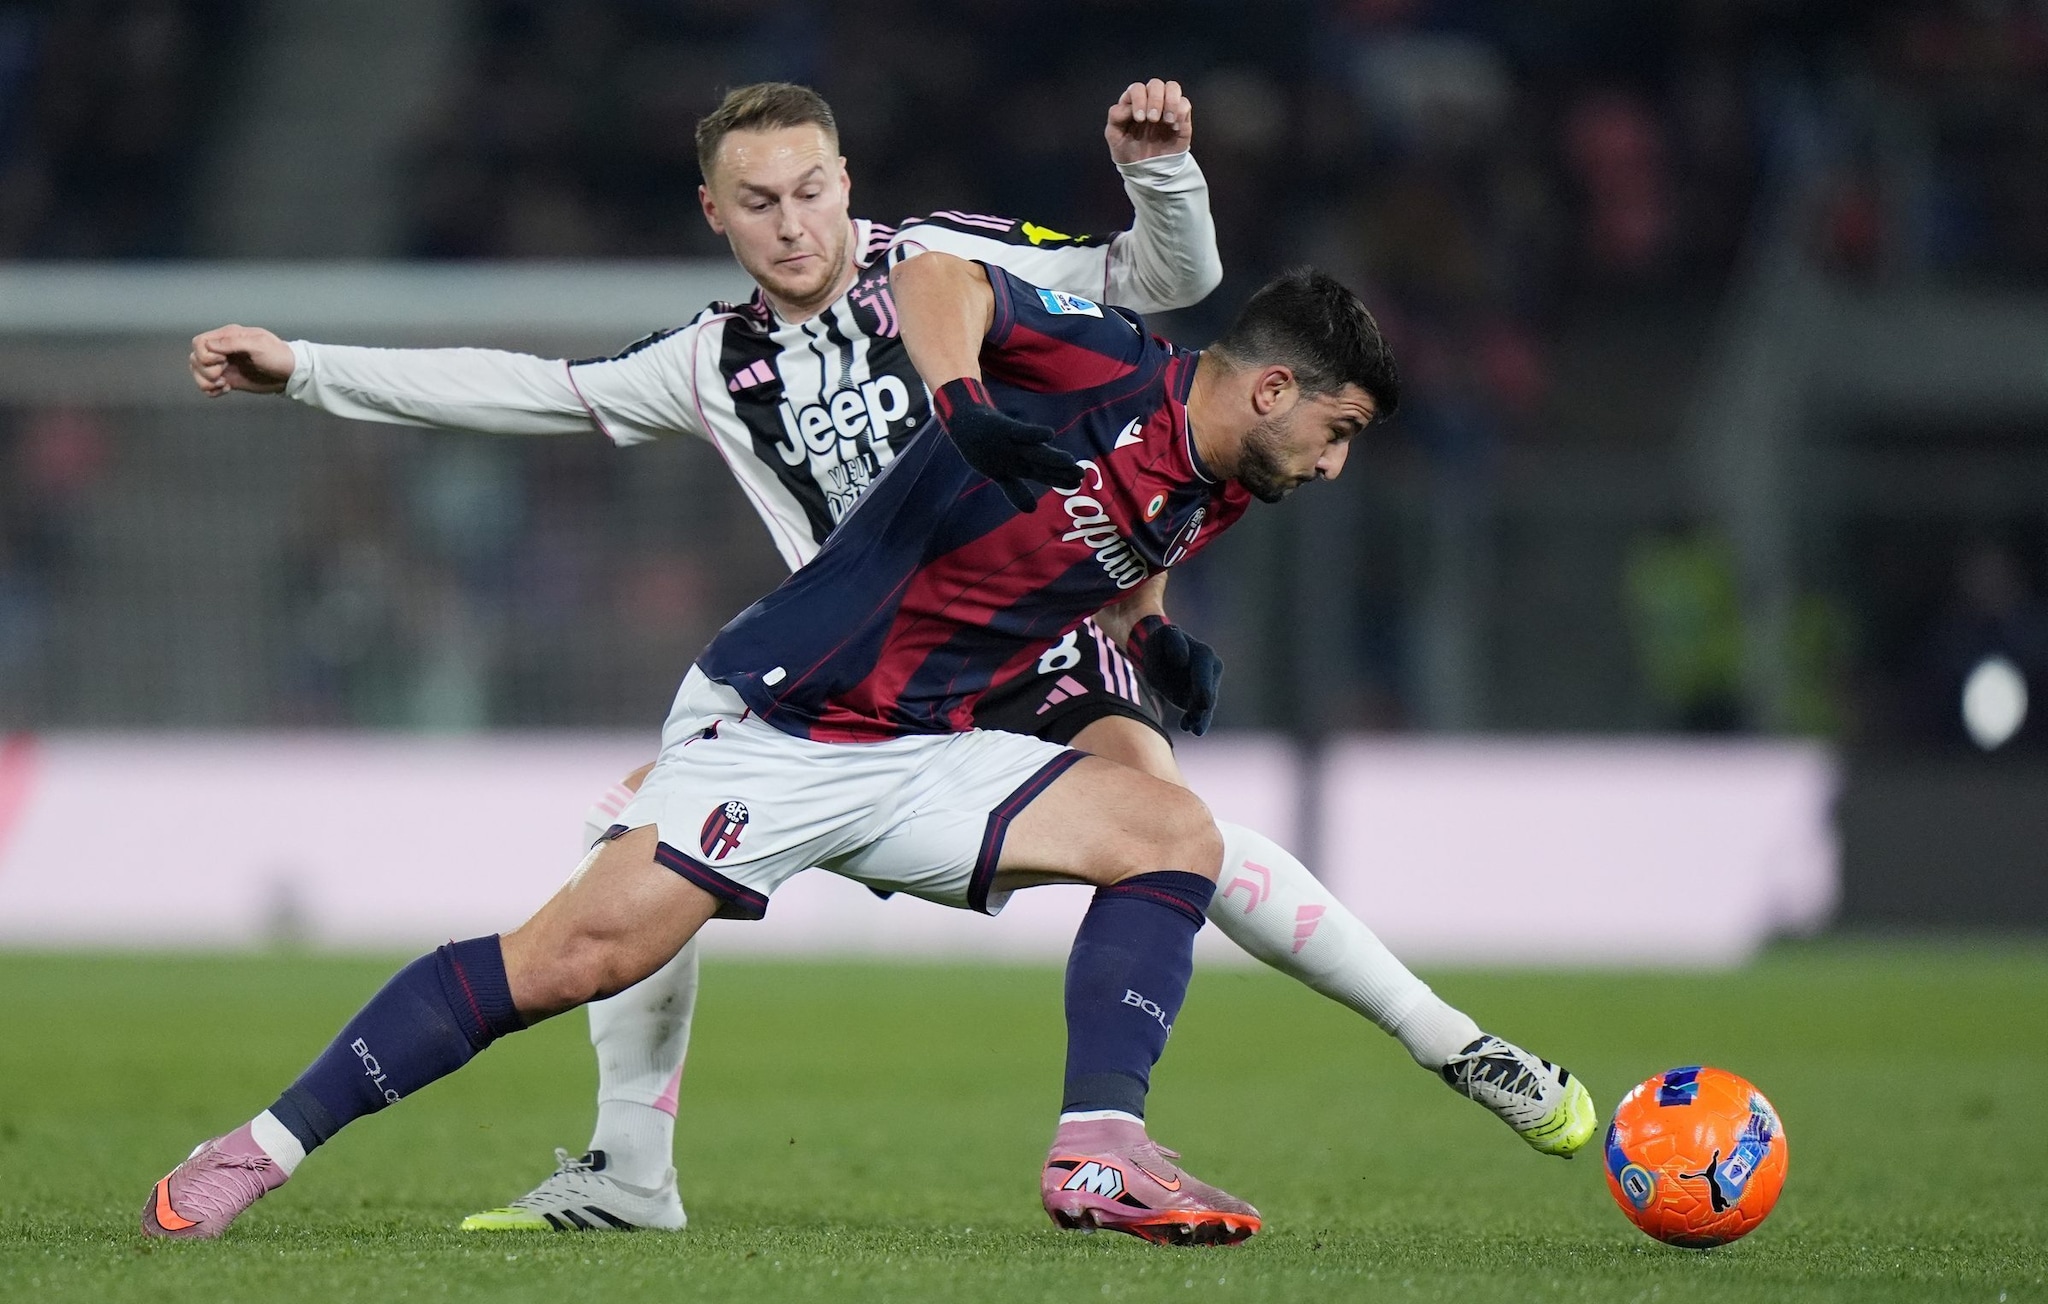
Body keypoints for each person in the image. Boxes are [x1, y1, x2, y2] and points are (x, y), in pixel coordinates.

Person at [184, 80, 1593, 1236]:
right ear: (715, 216)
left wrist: (1163, 186)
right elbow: (524, 392)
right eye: (758, 202)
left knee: (1177, 830)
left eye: (811, 190)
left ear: (847, 182)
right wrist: (308, 367)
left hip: (1008, 661)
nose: (792, 224)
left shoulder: (974, 270)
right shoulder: (713, 363)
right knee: (594, 914)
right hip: (822, 681)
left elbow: (1158, 311)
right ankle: (586, 1164)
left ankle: (1377, 1065)